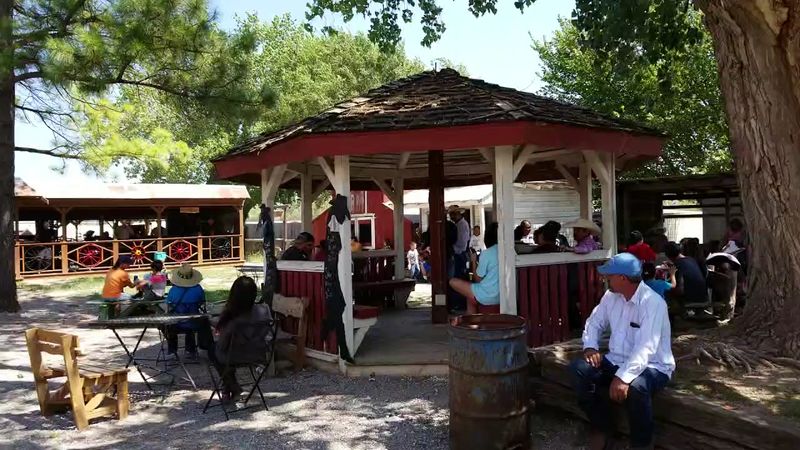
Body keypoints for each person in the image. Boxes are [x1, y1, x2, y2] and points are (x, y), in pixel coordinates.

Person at [571, 253, 675, 450]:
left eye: (609, 275)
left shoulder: (652, 303)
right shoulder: (611, 296)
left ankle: (641, 444)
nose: (605, 279)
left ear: (622, 278)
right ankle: (602, 427)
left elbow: (647, 348)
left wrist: (623, 377)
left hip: (653, 366)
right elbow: (594, 323)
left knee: (637, 388)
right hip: (616, 361)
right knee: (579, 369)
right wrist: (591, 346)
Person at [211, 276, 273, 402]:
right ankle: (229, 388)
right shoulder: (264, 310)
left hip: (235, 355)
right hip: (258, 354)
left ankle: (232, 386)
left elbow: (223, 346)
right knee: (225, 352)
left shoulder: (234, 317)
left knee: (212, 349)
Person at [449, 222, 500, 314]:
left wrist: (473, 261)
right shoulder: (511, 251)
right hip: (506, 295)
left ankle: (472, 321)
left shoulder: (487, 253)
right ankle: (472, 320)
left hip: (487, 296)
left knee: (453, 282)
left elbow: (477, 279)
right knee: (470, 294)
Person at [164, 263, 206, 358]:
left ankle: (172, 350)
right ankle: (190, 350)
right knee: (190, 324)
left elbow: (168, 306)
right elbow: (202, 304)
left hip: (176, 323)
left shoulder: (173, 290)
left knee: (167, 325)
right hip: (194, 322)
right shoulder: (198, 289)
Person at [664, 241, 708, 308]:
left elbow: (680, 290)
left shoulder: (677, 265)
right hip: (703, 296)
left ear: (668, 256)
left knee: (664, 291)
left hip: (689, 298)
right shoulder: (692, 260)